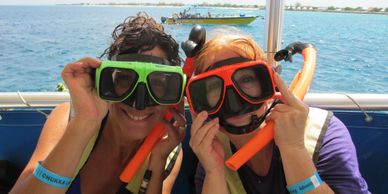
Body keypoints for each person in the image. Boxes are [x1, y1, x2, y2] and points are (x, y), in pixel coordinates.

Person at [10, 12, 186, 194]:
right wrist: (85, 122)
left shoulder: (167, 152)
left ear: (174, 93)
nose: (139, 103)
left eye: (157, 83)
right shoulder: (68, 119)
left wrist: (156, 165)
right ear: (106, 82)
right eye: (125, 79)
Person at [187, 31, 370, 194]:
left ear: (269, 83)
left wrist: (294, 149)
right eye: (213, 86)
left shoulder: (324, 133)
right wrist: (214, 170)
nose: (233, 100)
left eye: (247, 79)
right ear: (202, 99)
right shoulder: (213, 149)